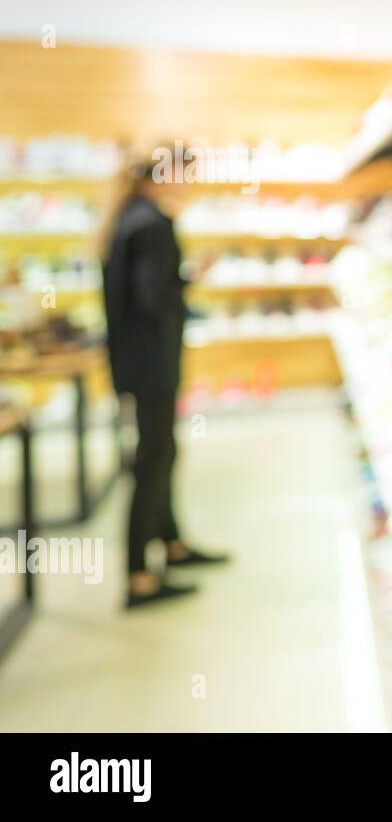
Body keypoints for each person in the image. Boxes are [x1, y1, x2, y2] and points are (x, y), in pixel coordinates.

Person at [98, 149, 227, 608]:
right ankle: (138, 576)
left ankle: (171, 544)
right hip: (153, 362)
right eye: (188, 176)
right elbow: (154, 296)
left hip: (136, 362)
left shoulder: (129, 217)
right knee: (154, 458)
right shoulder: (153, 224)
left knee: (162, 451)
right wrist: (189, 279)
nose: (190, 185)